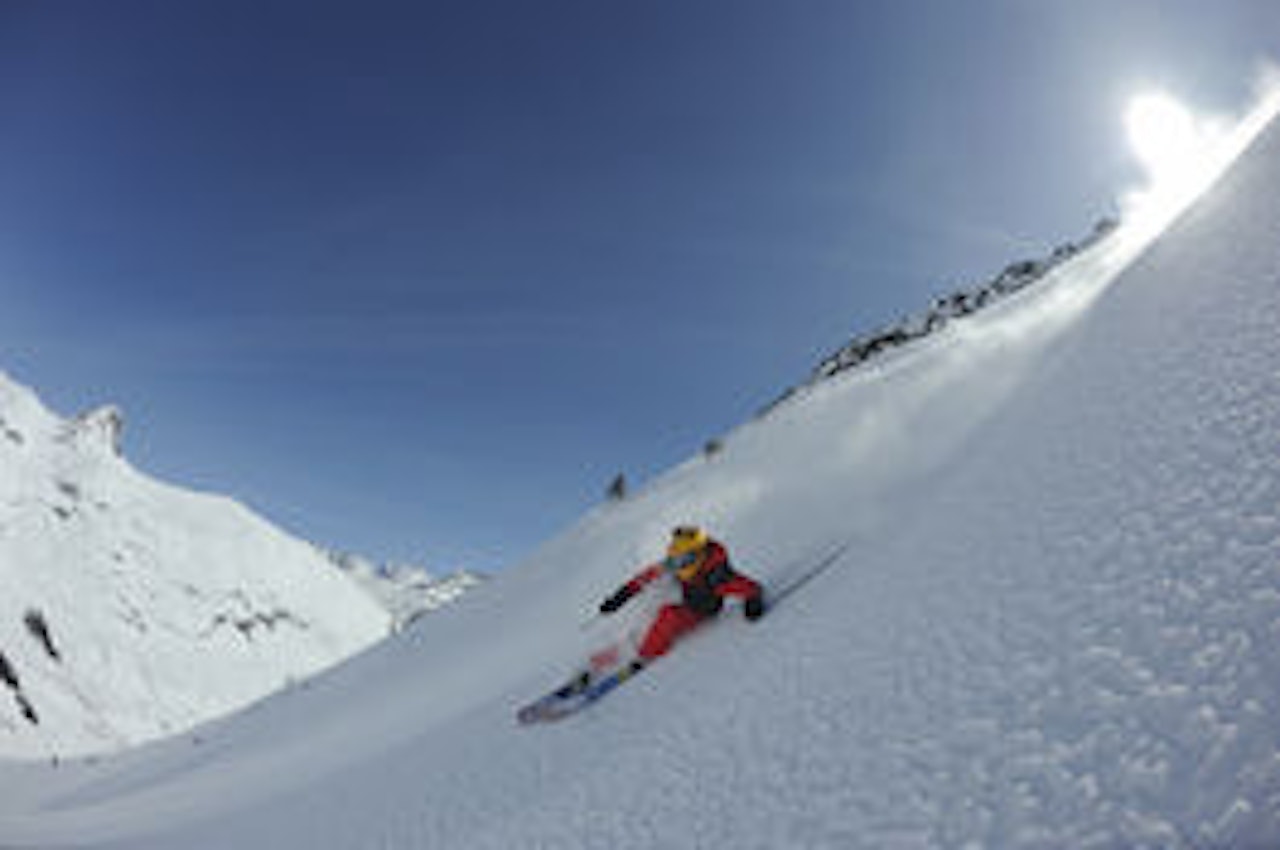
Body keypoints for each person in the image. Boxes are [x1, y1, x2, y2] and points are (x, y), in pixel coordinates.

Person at [599, 525, 766, 669]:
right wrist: (619, 598)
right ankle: (623, 646)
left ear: (699, 555)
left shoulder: (716, 575)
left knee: (668, 614)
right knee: (654, 595)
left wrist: (753, 602)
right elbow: (643, 578)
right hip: (684, 595)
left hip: (700, 609)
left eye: (684, 560)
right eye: (674, 559)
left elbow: (750, 588)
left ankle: (645, 653)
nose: (678, 565)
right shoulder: (679, 565)